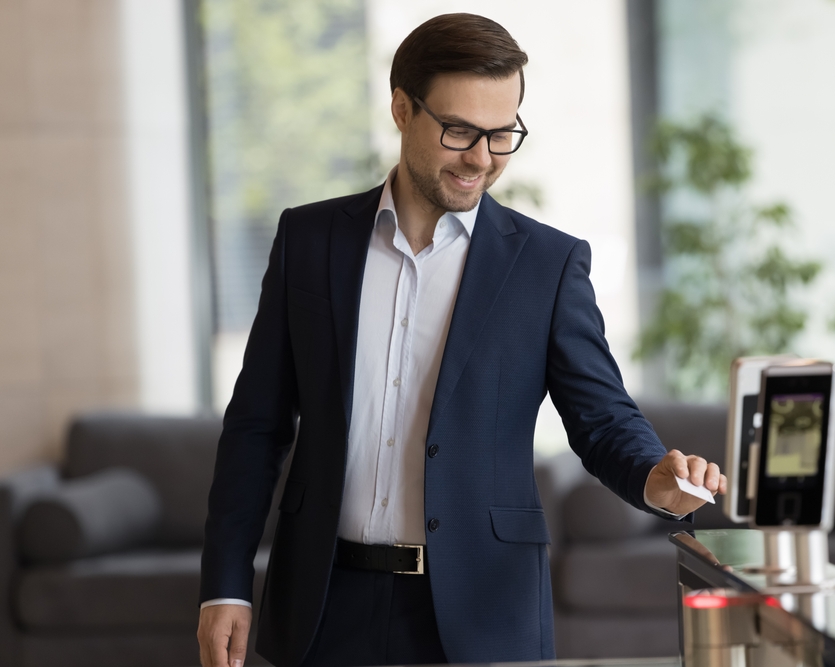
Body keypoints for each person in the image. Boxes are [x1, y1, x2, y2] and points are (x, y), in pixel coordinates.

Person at [198, 12, 726, 667]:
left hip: (478, 611)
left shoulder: (546, 265)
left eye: (503, 134)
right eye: (460, 131)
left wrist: (655, 478)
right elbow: (256, 424)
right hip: (320, 603)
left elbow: (599, 416)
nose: (482, 157)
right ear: (401, 108)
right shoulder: (310, 242)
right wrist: (226, 584)